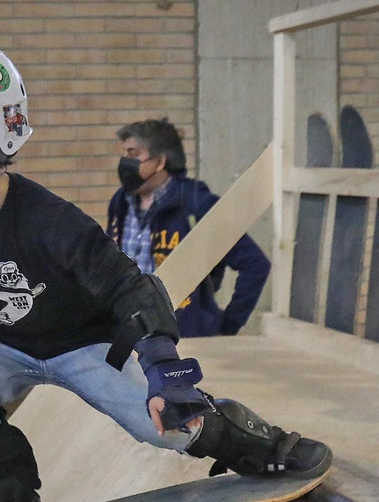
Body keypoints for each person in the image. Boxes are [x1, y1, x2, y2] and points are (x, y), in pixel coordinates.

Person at [0, 37, 330, 502]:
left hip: (85, 345)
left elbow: (132, 288)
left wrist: (163, 372)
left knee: (166, 428)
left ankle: (261, 445)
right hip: (2, 345)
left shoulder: (49, 222)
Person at [106, 117, 271, 337]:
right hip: (129, 338)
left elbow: (255, 264)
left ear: (160, 162)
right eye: (124, 155)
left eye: (133, 154)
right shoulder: (120, 202)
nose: (125, 163)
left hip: (185, 340)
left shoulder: (196, 202)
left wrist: (226, 327)